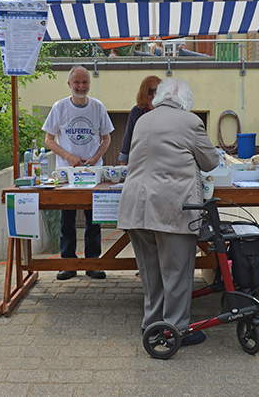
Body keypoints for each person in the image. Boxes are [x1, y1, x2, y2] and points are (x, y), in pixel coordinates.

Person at [117, 78, 218, 346]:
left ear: (159, 97)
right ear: (185, 101)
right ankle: (176, 329)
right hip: (172, 207)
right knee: (176, 273)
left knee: (151, 273)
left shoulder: (143, 120)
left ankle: (151, 325)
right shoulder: (190, 122)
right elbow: (211, 161)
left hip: (136, 208)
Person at [43, 66, 114, 280]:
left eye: (84, 83)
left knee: (94, 219)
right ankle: (68, 264)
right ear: (69, 84)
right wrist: (69, 157)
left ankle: (93, 263)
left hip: (93, 173)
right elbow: (48, 140)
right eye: (77, 83)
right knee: (67, 220)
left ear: (89, 84)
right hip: (66, 175)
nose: (81, 87)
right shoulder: (59, 107)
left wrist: (94, 158)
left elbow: (107, 138)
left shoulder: (98, 107)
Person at [118, 75, 161, 165]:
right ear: (144, 93)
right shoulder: (136, 112)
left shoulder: (167, 111)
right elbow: (128, 138)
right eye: (150, 92)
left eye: (157, 91)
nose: (154, 95)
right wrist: (123, 163)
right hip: (140, 160)